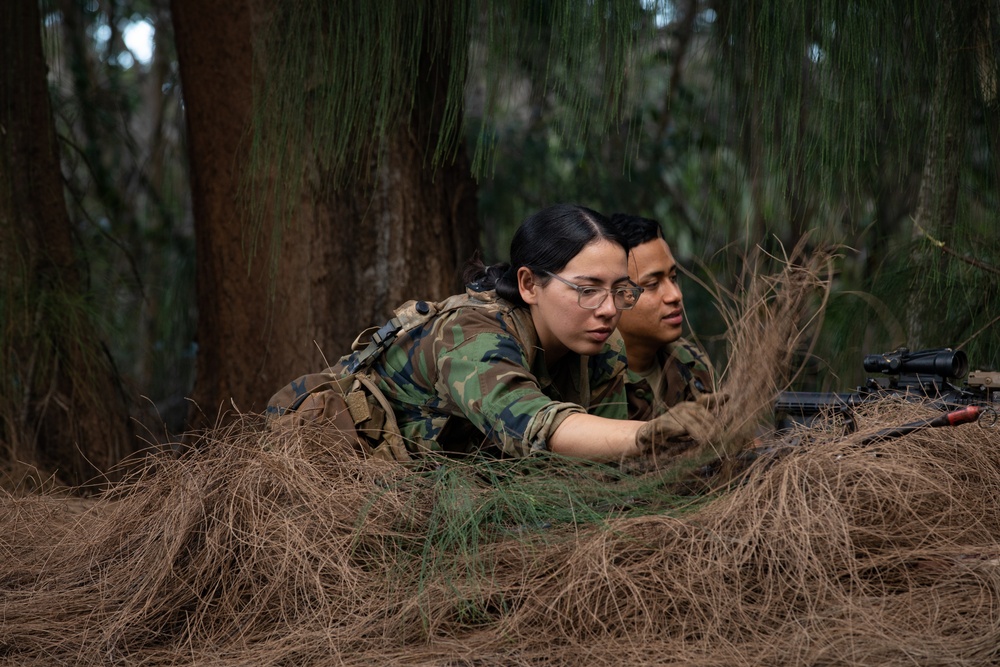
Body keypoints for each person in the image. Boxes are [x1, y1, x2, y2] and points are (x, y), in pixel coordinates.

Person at [267, 204, 717, 463]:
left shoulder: (601, 349)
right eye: (586, 290)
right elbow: (529, 423)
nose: (606, 309)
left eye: (620, 291)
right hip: (338, 471)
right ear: (529, 285)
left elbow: (595, 466)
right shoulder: (472, 332)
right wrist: (646, 435)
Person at [608, 213, 717, 421]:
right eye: (652, 284)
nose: (676, 295)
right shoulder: (587, 374)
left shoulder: (690, 361)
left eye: (673, 278)